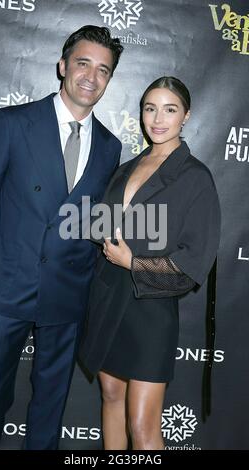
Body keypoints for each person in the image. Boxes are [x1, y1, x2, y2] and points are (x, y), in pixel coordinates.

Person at [0, 25, 123, 450]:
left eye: (103, 70)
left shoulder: (110, 147)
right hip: (5, 289)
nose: (91, 77)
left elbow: (90, 218)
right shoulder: (12, 123)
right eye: (82, 63)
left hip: (67, 294)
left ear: (109, 80)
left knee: (50, 407)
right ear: (62, 66)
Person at [79, 76, 221, 450]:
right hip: (108, 300)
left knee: (143, 427)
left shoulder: (195, 177)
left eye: (170, 109)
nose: (158, 118)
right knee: (110, 398)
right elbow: (103, 225)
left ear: (186, 116)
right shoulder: (127, 167)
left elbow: (194, 262)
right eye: (150, 108)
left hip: (150, 312)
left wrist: (133, 262)